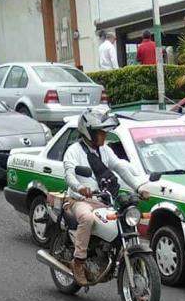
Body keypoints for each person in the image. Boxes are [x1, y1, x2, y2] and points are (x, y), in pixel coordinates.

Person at [63, 108, 150, 285]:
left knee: (124, 219)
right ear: (90, 133)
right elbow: (69, 175)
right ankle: (78, 261)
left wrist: (139, 187)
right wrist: (80, 188)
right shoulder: (74, 151)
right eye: (101, 132)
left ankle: (110, 253)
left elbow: (121, 168)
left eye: (105, 132)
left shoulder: (105, 151)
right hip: (79, 200)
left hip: (104, 200)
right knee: (87, 219)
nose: (105, 136)